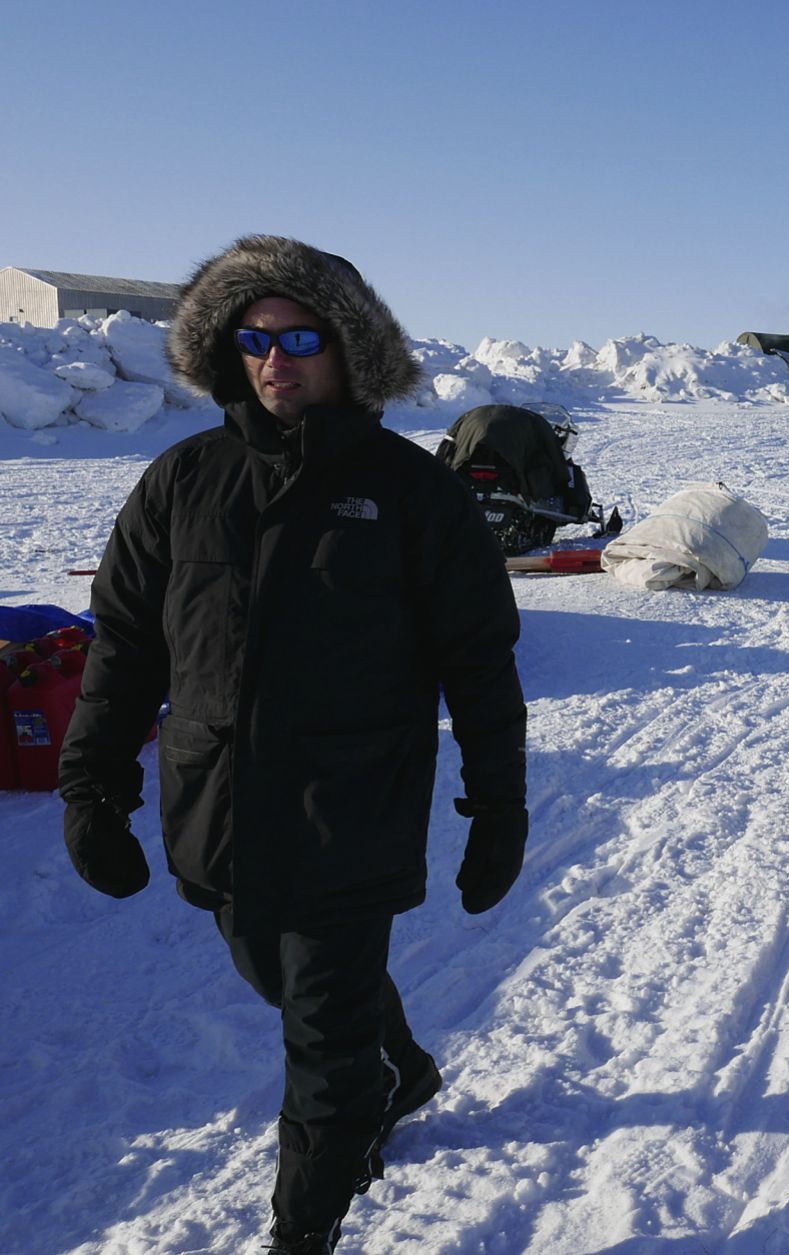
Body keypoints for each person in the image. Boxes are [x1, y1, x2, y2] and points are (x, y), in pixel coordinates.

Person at [57, 235, 529, 1254]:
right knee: (275, 973)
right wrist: (91, 786)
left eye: (301, 337)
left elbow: (481, 663)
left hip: (349, 816)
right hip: (218, 810)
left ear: (349, 350)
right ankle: (395, 1062)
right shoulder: (182, 481)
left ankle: (305, 1223)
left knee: (321, 1043)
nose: (276, 359)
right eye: (255, 339)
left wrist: (500, 806)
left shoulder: (414, 495)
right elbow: (126, 647)